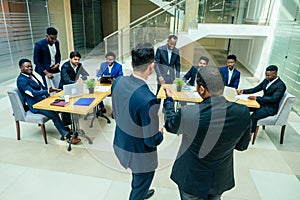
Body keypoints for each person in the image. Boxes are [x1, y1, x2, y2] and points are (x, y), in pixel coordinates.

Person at [163, 66, 251, 200]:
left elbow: (170, 126)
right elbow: (242, 146)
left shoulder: (189, 113)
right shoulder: (243, 112)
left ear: (202, 89)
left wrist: (169, 100)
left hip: (191, 177)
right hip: (219, 176)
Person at [112, 43, 164, 200]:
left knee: (138, 180)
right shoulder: (148, 100)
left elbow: (117, 111)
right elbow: (151, 140)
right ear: (151, 66)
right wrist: (160, 133)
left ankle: (140, 189)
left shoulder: (118, 81)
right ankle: (138, 193)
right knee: (142, 181)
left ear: (132, 63)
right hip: (139, 156)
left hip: (121, 143)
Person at [16, 58, 81, 144]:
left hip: (44, 100)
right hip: (36, 105)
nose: (30, 68)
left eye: (31, 66)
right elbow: (33, 93)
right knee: (53, 114)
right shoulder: (21, 80)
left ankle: (65, 127)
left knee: (63, 106)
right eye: (27, 67)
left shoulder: (31, 75)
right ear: (21, 68)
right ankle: (66, 135)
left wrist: (48, 94)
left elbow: (41, 86)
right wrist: (47, 91)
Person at [237, 65, 286, 135]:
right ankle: (240, 129)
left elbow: (273, 99)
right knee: (243, 108)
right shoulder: (266, 80)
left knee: (253, 117)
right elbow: (256, 89)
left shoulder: (281, 85)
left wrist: (257, 98)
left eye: (268, 75)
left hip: (269, 108)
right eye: (266, 75)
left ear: (275, 74)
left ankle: (248, 136)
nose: (266, 77)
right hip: (261, 103)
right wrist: (243, 92)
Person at [58, 51, 89, 126]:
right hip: (65, 88)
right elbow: (66, 80)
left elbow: (85, 74)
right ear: (70, 59)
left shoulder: (79, 65)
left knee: (83, 96)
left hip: (75, 87)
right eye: (75, 59)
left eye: (78, 59)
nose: (77, 61)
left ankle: (77, 113)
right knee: (66, 104)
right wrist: (76, 82)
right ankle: (67, 123)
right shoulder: (65, 67)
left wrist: (81, 78)